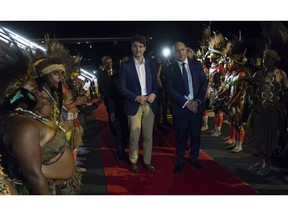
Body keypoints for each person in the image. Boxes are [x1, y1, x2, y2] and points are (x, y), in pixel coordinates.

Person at [164, 41, 208, 172]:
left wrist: (198, 101)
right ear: (173, 53)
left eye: (182, 50)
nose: (180, 52)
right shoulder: (169, 68)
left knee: (196, 135)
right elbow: (170, 89)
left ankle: (194, 158)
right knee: (180, 136)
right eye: (177, 50)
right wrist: (186, 103)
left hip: (196, 107)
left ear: (186, 50)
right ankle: (180, 161)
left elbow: (203, 83)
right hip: (180, 108)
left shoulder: (196, 64)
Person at [118, 34, 158, 173]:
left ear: (145, 48)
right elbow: (121, 87)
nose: (138, 49)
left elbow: (155, 84)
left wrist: (153, 93)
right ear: (131, 47)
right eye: (135, 46)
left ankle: (147, 161)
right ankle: (133, 160)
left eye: (141, 46)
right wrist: (135, 97)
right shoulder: (126, 65)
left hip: (149, 105)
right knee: (134, 136)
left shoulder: (151, 64)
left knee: (148, 136)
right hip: (133, 104)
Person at [98, 56, 128, 161]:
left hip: (129, 107)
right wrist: (111, 110)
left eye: (110, 62)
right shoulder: (106, 76)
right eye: (106, 63)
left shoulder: (122, 74)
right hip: (115, 105)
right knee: (117, 128)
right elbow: (105, 91)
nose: (109, 64)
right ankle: (120, 152)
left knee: (126, 130)